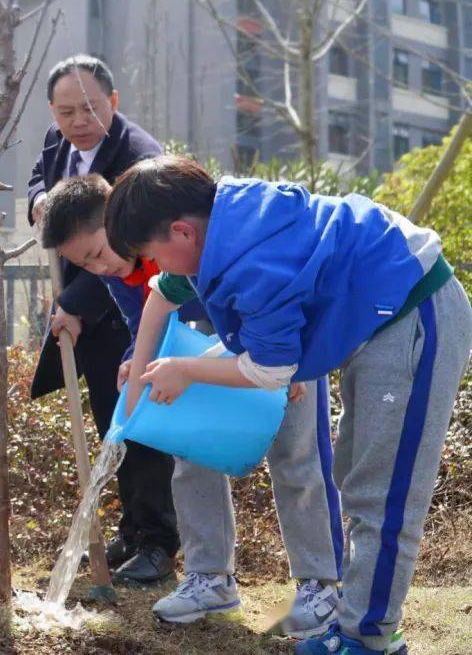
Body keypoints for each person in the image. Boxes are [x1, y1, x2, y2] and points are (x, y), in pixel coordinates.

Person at [107, 156, 472, 655]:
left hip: (414, 315)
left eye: (155, 254)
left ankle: (366, 640)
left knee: (383, 492)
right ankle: (364, 623)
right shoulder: (222, 222)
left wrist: (185, 369)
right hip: (378, 315)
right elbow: (160, 299)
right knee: (357, 478)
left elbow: (269, 372)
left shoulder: (251, 262)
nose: (158, 266)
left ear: (181, 232)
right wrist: (138, 386)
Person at [41, 175, 343, 638]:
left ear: (119, 222)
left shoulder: (186, 235)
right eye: (86, 265)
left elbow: (270, 295)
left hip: (283, 344)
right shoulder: (120, 271)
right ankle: (209, 577)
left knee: (296, 457)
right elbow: (145, 319)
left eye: (99, 253)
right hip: (200, 354)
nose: (100, 267)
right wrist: (136, 363)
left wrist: (289, 362)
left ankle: (320, 584)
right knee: (189, 454)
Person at [26, 55, 178, 584]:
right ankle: (133, 530)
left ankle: (158, 539)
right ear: (53, 111)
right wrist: (38, 200)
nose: (78, 120)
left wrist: (74, 302)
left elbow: (115, 254)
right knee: (113, 423)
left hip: (135, 306)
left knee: (146, 428)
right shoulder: (56, 142)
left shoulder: (139, 159)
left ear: (112, 101)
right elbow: (40, 181)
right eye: (65, 111)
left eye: (90, 108)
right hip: (96, 309)